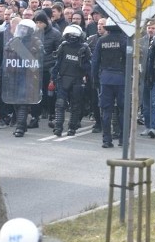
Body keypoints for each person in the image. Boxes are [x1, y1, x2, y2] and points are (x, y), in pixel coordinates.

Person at [50, 24, 91, 137]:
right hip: (63, 78)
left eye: (74, 36)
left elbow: (89, 67)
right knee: (60, 103)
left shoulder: (84, 48)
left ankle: (72, 128)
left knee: (75, 105)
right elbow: (57, 63)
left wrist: (82, 63)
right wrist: (53, 77)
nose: (72, 38)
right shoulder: (63, 46)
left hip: (77, 80)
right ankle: (58, 127)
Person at [91, 17, 127, 148]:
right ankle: (123, 139)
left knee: (106, 110)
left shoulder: (101, 41)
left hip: (105, 79)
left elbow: (95, 62)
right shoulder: (124, 41)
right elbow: (130, 61)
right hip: (121, 79)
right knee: (123, 110)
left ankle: (106, 140)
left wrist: (94, 79)